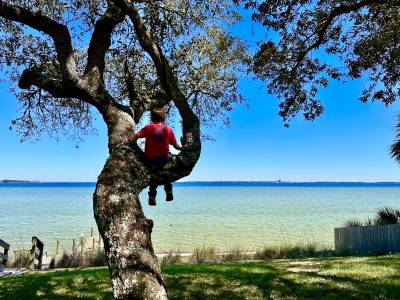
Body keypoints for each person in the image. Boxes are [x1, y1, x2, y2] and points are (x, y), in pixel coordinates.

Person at [130, 108, 182, 206]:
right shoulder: (168, 130)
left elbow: (136, 136)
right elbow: (175, 145)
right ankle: (169, 192)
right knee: (166, 175)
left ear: (151, 118)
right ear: (163, 118)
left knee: (153, 178)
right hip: (164, 158)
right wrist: (182, 148)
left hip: (150, 159)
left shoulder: (147, 128)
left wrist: (131, 141)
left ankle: (152, 198)